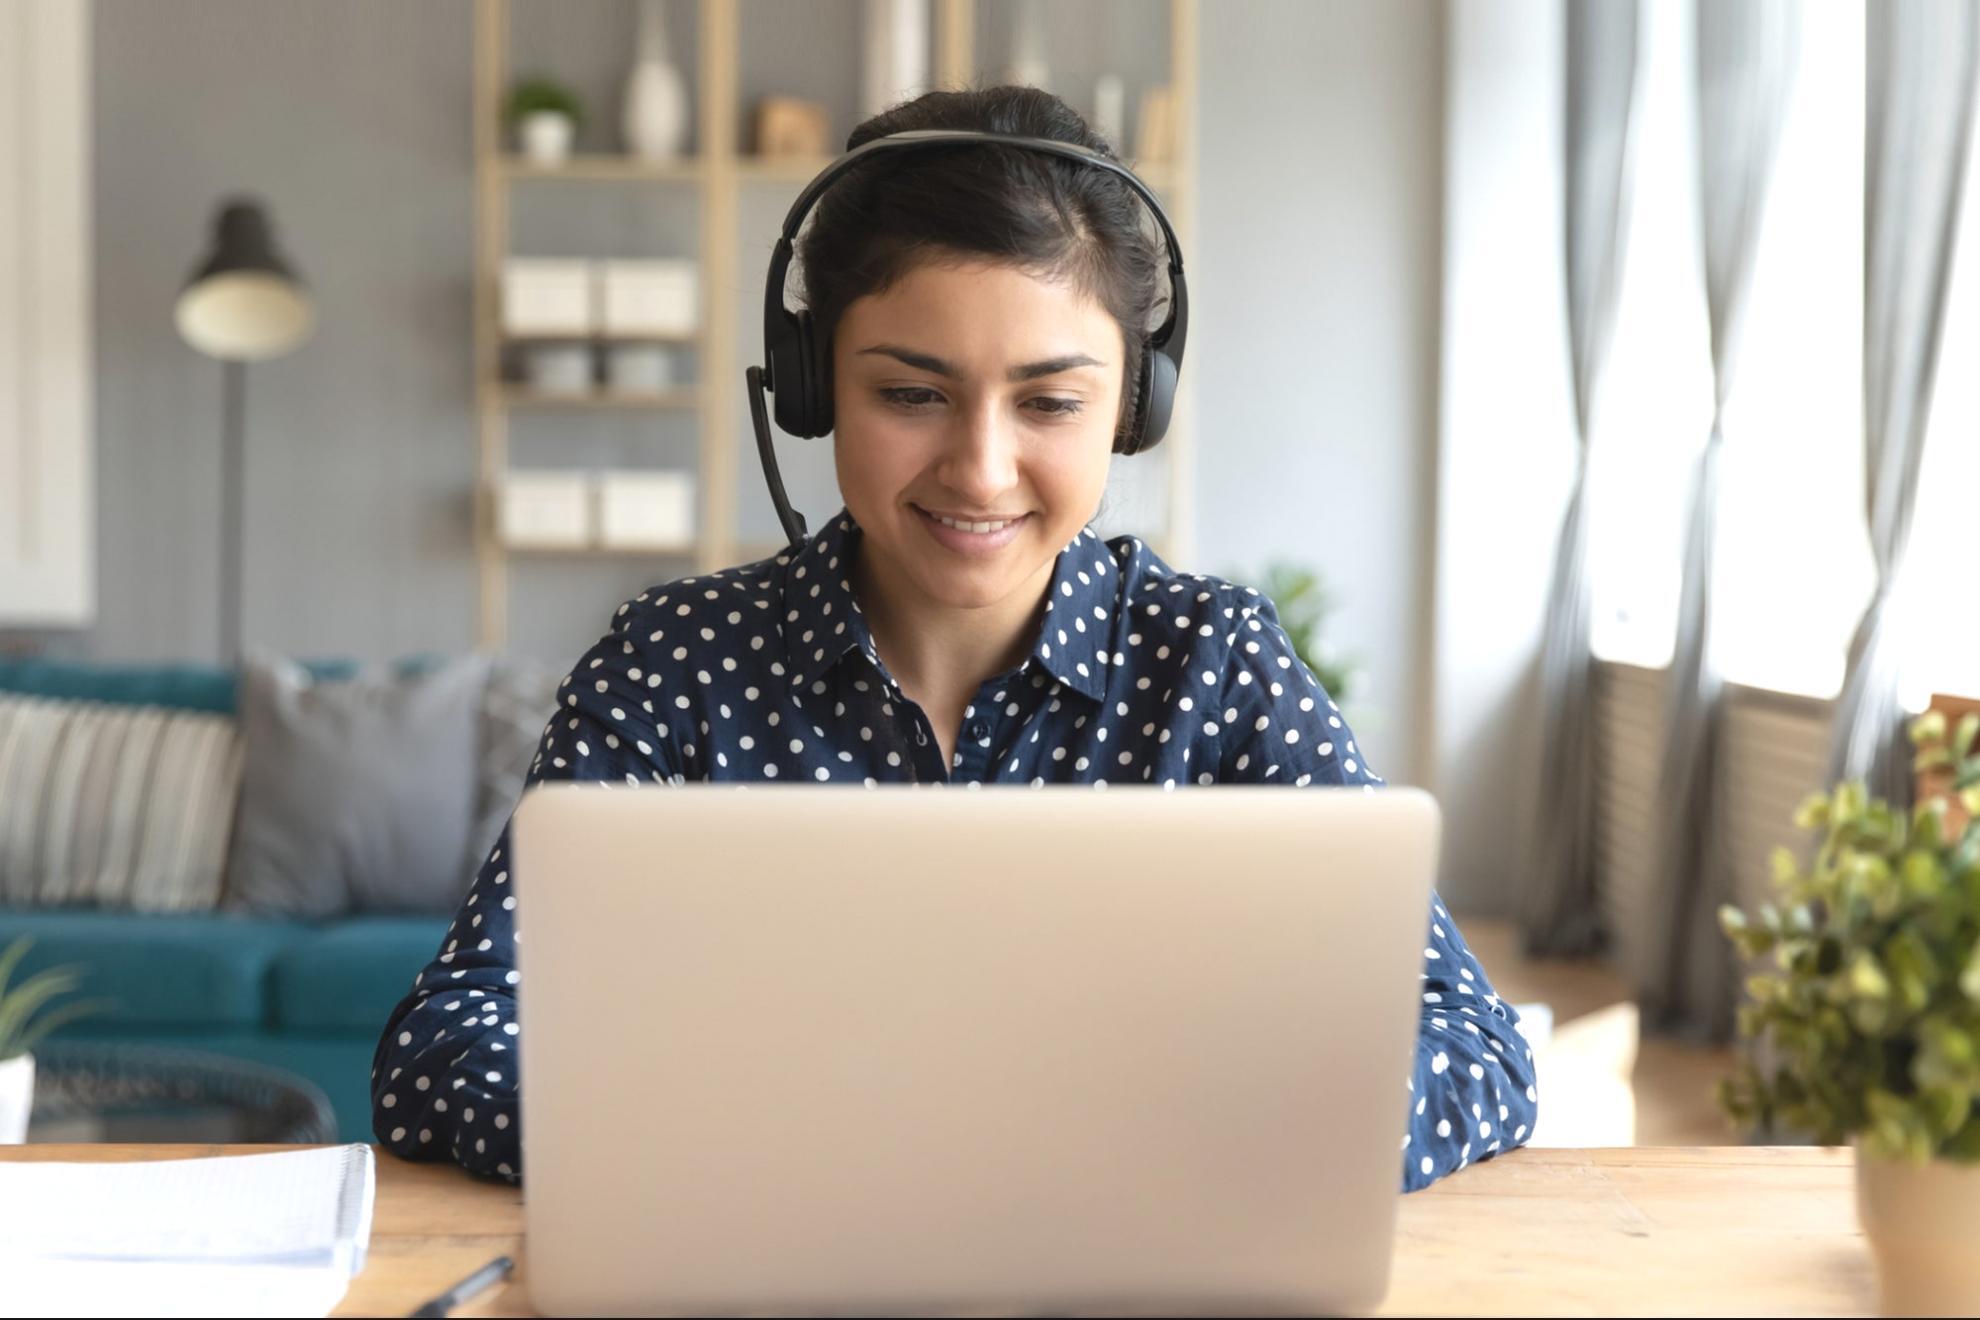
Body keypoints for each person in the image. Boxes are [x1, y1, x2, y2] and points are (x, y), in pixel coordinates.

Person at [372, 85, 1538, 1193]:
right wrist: (801, 1152)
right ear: (811, 383)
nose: (981, 469)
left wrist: (1162, 1144)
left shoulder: (1212, 669)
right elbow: (447, 1045)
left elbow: (1466, 1041)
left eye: (1051, 402)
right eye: (912, 394)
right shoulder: (674, 667)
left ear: (1136, 406)